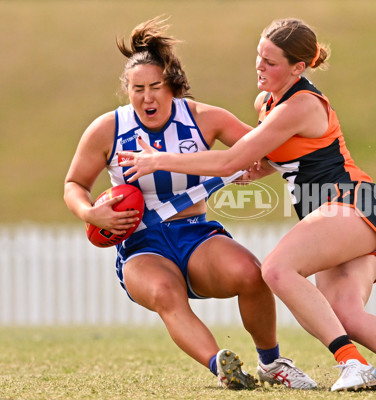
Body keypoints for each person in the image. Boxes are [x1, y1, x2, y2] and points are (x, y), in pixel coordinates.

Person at [119, 18, 376, 393]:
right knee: (345, 314)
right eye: (259, 56)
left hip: (350, 201)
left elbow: (228, 160)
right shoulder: (266, 103)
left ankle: (353, 363)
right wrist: (260, 170)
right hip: (345, 210)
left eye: (270, 62)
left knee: (275, 269)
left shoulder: (301, 103)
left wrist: (156, 160)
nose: (259, 66)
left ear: (298, 68)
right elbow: (289, 155)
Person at [63, 16, 317, 391]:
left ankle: (271, 362)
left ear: (172, 86)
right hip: (140, 247)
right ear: (127, 90)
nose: (146, 97)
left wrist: (250, 172)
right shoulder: (107, 129)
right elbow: (74, 184)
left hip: (196, 235)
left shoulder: (204, 118)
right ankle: (222, 365)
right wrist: (89, 212)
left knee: (252, 274)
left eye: (154, 87)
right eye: (136, 89)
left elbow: (273, 152)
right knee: (166, 294)